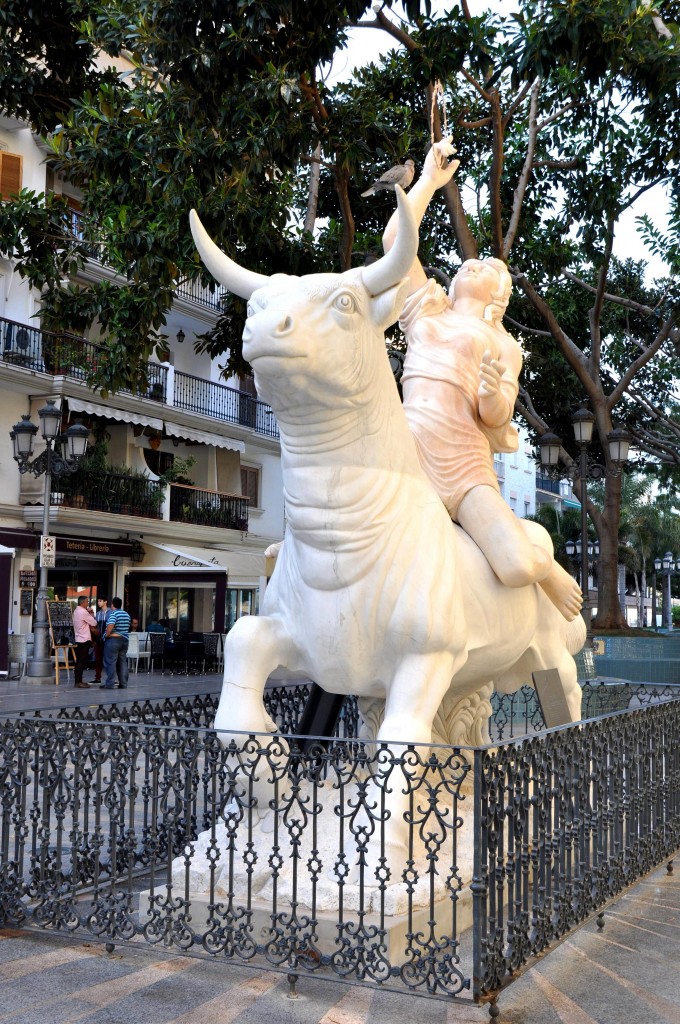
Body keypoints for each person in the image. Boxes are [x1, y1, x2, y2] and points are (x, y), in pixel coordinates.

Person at [382, 138, 582, 621]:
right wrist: (429, 180)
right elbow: (395, 242)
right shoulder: (428, 310)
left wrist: (491, 394)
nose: (473, 264)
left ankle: (546, 565)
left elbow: (498, 414)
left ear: (499, 295)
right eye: (469, 263)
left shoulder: (503, 344)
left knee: (516, 565)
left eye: (487, 268)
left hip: (463, 463)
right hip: (404, 445)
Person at [101, 596, 131, 690]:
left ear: (112, 604)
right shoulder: (126, 614)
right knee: (122, 662)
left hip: (113, 640)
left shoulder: (114, 614)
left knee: (110, 662)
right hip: (125, 640)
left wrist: (107, 635)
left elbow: (111, 625)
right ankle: (123, 683)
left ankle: (110, 684)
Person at [72, 596, 97, 689]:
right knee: (81, 661)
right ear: (82, 602)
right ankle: (78, 682)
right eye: (87, 601)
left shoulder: (76, 611)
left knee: (79, 661)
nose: (87, 603)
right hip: (84, 639)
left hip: (79, 638)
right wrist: (91, 613)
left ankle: (78, 680)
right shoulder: (83, 612)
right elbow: (94, 623)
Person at [92, 595, 109, 685]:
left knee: (109, 659)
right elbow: (96, 626)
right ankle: (97, 678)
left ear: (105, 602)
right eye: (98, 601)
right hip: (98, 639)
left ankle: (111, 679)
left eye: (100, 601)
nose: (99, 602)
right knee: (98, 659)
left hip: (108, 639)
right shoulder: (98, 614)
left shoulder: (111, 613)